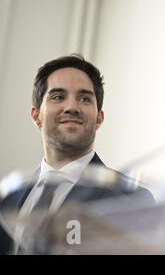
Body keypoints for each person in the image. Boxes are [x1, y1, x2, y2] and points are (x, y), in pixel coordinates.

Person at [0, 54, 155, 254]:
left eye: (84, 98)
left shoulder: (131, 200)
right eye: (58, 97)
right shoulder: (7, 198)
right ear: (36, 116)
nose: (72, 107)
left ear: (99, 118)